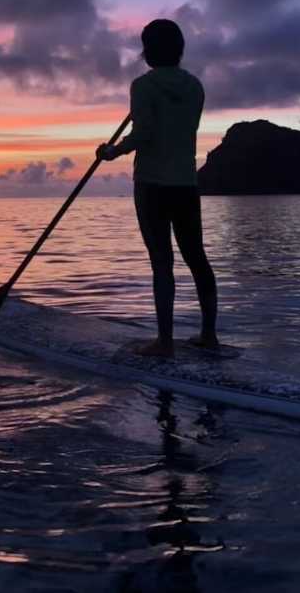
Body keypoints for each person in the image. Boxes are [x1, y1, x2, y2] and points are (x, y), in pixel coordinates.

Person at [96, 19, 218, 359]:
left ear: (148, 50)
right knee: (197, 259)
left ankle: (165, 343)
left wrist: (111, 151)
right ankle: (209, 336)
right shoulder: (195, 87)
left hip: (152, 185)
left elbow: (144, 134)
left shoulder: (143, 86)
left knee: (162, 263)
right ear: (179, 50)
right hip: (186, 184)